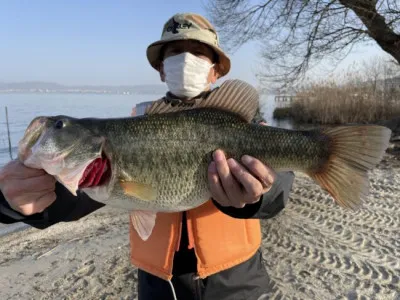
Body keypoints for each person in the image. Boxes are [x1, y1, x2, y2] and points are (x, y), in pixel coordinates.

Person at [0, 13, 295, 300]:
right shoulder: (133, 124)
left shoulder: (245, 123)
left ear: (216, 70)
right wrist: (16, 202)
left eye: (198, 52)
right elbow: (78, 197)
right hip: (159, 285)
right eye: (176, 52)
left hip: (236, 283)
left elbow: (281, 186)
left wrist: (257, 195)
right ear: (162, 69)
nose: (186, 59)